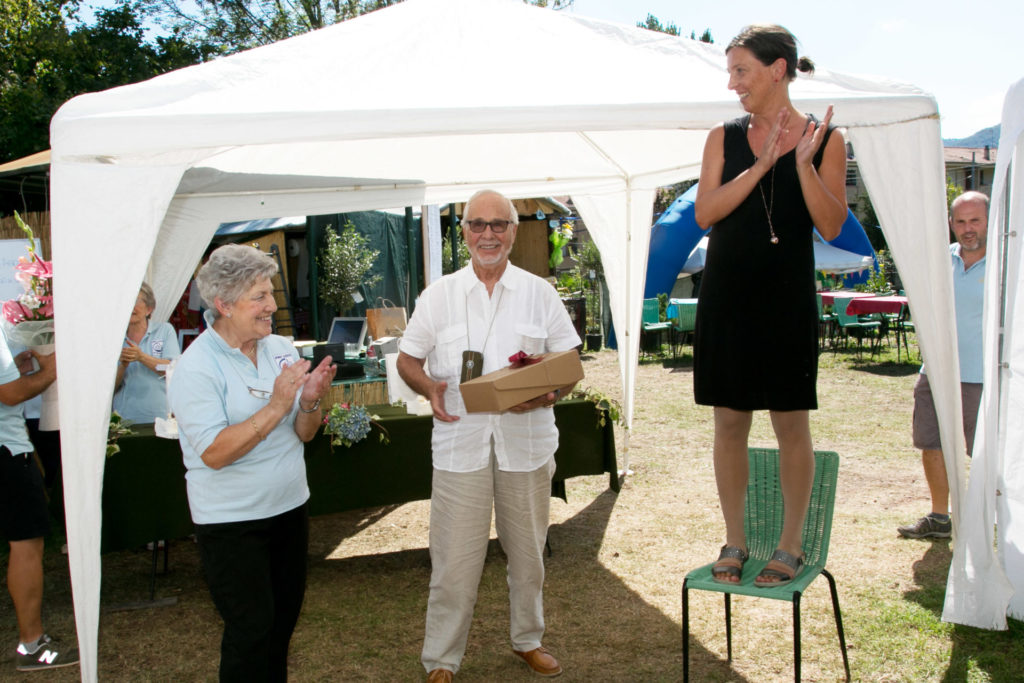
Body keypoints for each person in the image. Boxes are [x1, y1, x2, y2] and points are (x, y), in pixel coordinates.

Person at [397, 189, 580, 681]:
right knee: (453, 565)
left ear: (514, 232)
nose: (488, 234)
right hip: (461, 445)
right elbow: (408, 359)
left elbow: (569, 365)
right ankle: (441, 659)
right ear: (464, 233)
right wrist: (430, 387)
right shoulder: (438, 296)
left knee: (528, 558)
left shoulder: (540, 292)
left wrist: (549, 394)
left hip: (528, 443)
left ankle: (528, 639)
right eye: (477, 225)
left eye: (499, 225)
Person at [692, 24, 847, 587]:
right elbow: (705, 213)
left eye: (742, 71)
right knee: (729, 422)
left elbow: (831, 223)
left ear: (777, 69)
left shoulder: (828, 140)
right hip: (727, 298)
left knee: (790, 424)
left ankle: (789, 546)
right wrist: (758, 168)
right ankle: (734, 540)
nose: (733, 83)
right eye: (732, 72)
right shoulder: (723, 137)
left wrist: (801, 164)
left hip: (786, 302)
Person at [168, 244, 336, 681]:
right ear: (223, 304)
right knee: (250, 631)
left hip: (288, 508)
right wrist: (279, 404)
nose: (272, 305)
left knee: (280, 627)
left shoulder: (280, 347)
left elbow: (305, 433)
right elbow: (215, 453)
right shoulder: (195, 368)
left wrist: (311, 402)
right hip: (231, 523)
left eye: (270, 292)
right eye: (258, 296)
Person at [898, 191, 989, 539]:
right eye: (961, 222)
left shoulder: (1006, 264)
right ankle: (940, 517)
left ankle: (987, 521)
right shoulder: (940, 260)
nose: (968, 229)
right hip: (934, 372)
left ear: (988, 221)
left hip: (982, 377)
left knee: (982, 452)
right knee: (931, 443)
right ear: (951, 224)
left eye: (975, 221)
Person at [0, 329, 79, 672]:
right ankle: (32, 644)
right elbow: (11, 393)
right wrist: (51, 372)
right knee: (26, 544)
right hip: (7, 452)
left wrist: (17, 369)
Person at [113, 282, 181, 423]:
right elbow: (110, 387)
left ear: (149, 309)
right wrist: (123, 365)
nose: (131, 306)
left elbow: (171, 369)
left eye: (136, 301)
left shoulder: (164, 330)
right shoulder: (115, 337)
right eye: (128, 300)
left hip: (159, 416)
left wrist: (141, 357)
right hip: (123, 418)